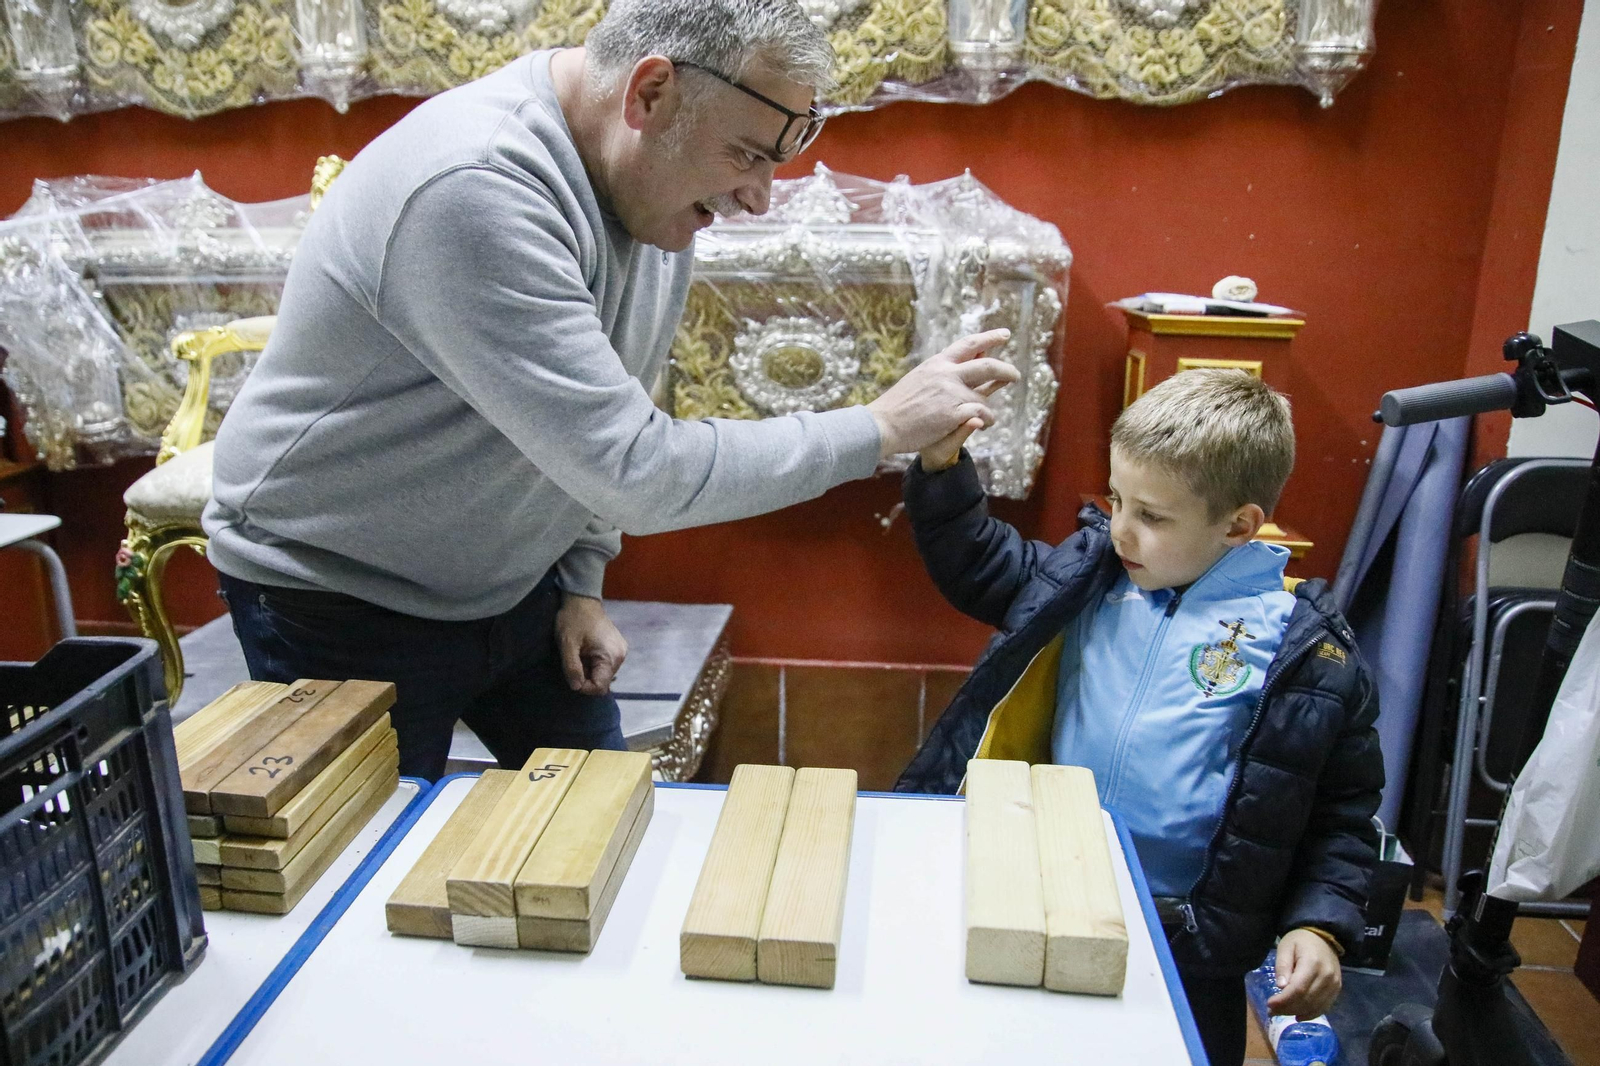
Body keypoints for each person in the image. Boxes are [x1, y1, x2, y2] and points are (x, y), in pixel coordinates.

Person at [203, 0, 1019, 780]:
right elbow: (634, 466)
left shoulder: (653, 191)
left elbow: (607, 406)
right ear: (651, 92)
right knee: (370, 861)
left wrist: (580, 581)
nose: (757, 197)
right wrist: (879, 427)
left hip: (517, 588)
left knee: (607, 817)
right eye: (747, 155)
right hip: (339, 596)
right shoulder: (476, 188)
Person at [895, 370, 1384, 1066]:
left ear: (1238, 525)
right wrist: (942, 468)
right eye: (1117, 499)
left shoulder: (1305, 651)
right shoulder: (1092, 579)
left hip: (1192, 939)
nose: (1120, 528)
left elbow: (1342, 811)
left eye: (1152, 517)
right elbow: (978, 559)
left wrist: (1319, 925)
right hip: (1048, 889)